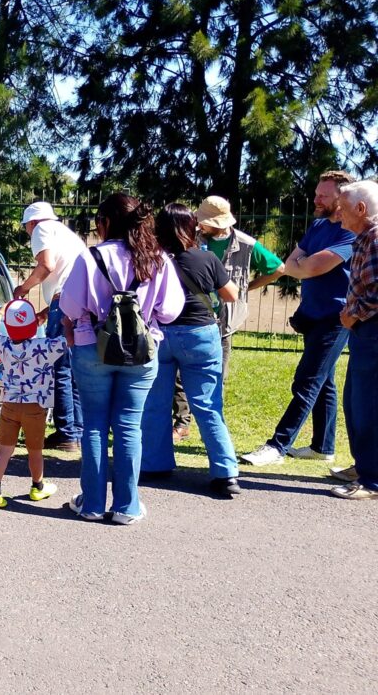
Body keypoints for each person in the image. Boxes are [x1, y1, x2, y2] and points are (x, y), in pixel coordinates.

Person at [59, 193, 184, 524]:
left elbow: (70, 307)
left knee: (95, 426)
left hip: (91, 347)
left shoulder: (90, 257)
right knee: (129, 426)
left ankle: (92, 504)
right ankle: (127, 507)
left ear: (106, 222)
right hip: (142, 353)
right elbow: (171, 311)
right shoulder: (157, 259)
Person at [239, 172, 357, 466]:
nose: (316, 199)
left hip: (334, 318)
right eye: (317, 193)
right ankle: (323, 447)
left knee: (307, 380)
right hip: (312, 314)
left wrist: (302, 266)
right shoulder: (318, 225)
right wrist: (302, 266)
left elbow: (310, 267)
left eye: (323, 195)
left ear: (342, 200)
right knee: (324, 381)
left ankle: (277, 446)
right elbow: (287, 265)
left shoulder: (350, 232)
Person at [140, 204, 241, 497]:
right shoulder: (206, 257)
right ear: (191, 226)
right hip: (200, 333)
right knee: (208, 404)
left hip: (161, 333)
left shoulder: (153, 260)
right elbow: (231, 294)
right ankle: (225, 473)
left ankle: (155, 464)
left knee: (155, 402)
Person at [13, 201, 86, 452]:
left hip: (63, 300)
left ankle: (66, 432)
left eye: (26, 227)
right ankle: (77, 430)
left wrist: (23, 288)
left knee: (60, 369)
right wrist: (47, 310)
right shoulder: (65, 233)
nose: (27, 231)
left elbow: (47, 265)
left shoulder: (41, 229)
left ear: (31, 222)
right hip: (77, 301)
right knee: (73, 368)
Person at [0, 298, 67, 508]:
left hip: (10, 404)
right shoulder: (44, 346)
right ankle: (37, 487)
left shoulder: (4, 345)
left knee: (4, 449)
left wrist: (1, 313)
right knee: (35, 450)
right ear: (33, 326)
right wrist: (65, 321)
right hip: (35, 407)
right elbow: (68, 341)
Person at [196, 195, 285, 378]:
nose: (200, 225)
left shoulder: (246, 244)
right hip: (194, 318)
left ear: (218, 223)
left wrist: (247, 287)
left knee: (217, 375)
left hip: (224, 322)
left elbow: (278, 269)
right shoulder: (193, 240)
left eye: (204, 222)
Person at [331, 180, 378, 500]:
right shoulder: (365, 237)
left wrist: (354, 314)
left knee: (367, 406)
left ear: (361, 209)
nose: (338, 214)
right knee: (356, 401)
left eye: (343, 208)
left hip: (372, 330)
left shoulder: (374, 240)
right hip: (365, 331)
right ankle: (366, 467)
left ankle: (372, 480)